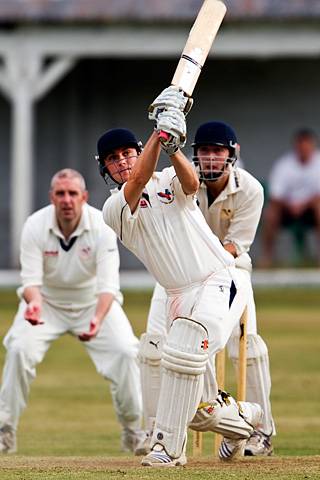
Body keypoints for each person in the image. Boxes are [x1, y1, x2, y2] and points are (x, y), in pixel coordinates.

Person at [98, 87, 264, 467]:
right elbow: (136, 183)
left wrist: (172, 145)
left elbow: (193, 185)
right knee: (198, 409)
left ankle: (168, 450)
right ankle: (245, 419)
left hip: (218, 279)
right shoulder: (113, 209)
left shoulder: (170, 178)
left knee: (182, 354)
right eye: (113, 159)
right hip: (178, 295)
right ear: (104, 169)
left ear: (138, 152)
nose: (122, 161)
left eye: (127, 153)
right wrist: (160, 133)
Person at [140, 121, 275, 457]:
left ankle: (260, 432)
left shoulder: (251, 190)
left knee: (248, 347)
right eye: (204, 151)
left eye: (218, 151)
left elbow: (235, 247)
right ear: (194, 154)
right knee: (153, 347)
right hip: (177, 273)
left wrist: (201, 259)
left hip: (229, 271)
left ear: (232, 155)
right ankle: (154, 430)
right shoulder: (180, 181)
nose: (211, 158)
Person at [0, 168, 143, 454]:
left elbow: (108, 287)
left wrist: (96, 320)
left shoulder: (101, 226)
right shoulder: (34, 225)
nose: (67, 200)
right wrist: (36, 303)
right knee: (18, 349)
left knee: (127, 353)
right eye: (61, 194)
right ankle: (5, 431)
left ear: (84, 197)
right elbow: (30, 282)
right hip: (46, 304)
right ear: (52, 197)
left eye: (73, 194)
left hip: (94, 303)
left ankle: (133, 429)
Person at [260, 128, 320, 266]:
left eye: (307, 145)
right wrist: (291, 205)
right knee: (270, 213)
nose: (304, 149)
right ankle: (267, 258)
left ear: (313, 145)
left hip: (312, 210)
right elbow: (275, 195)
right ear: (296, 146)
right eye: (301, 145)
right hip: (287, 210)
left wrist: (304, 205)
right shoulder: (284, 164)